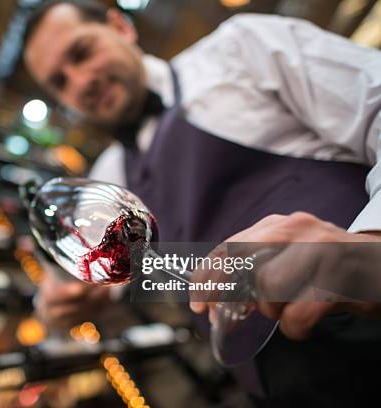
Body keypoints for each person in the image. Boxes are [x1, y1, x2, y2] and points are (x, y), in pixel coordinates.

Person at [22, 0, 381, 405]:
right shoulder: (106, 178)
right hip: (286, 388)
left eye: (82, 53)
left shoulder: (239, 49)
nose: (79, 82)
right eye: (60, 82)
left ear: (121, 26)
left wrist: (369, 247)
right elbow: (64, 284)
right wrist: (54, 309)